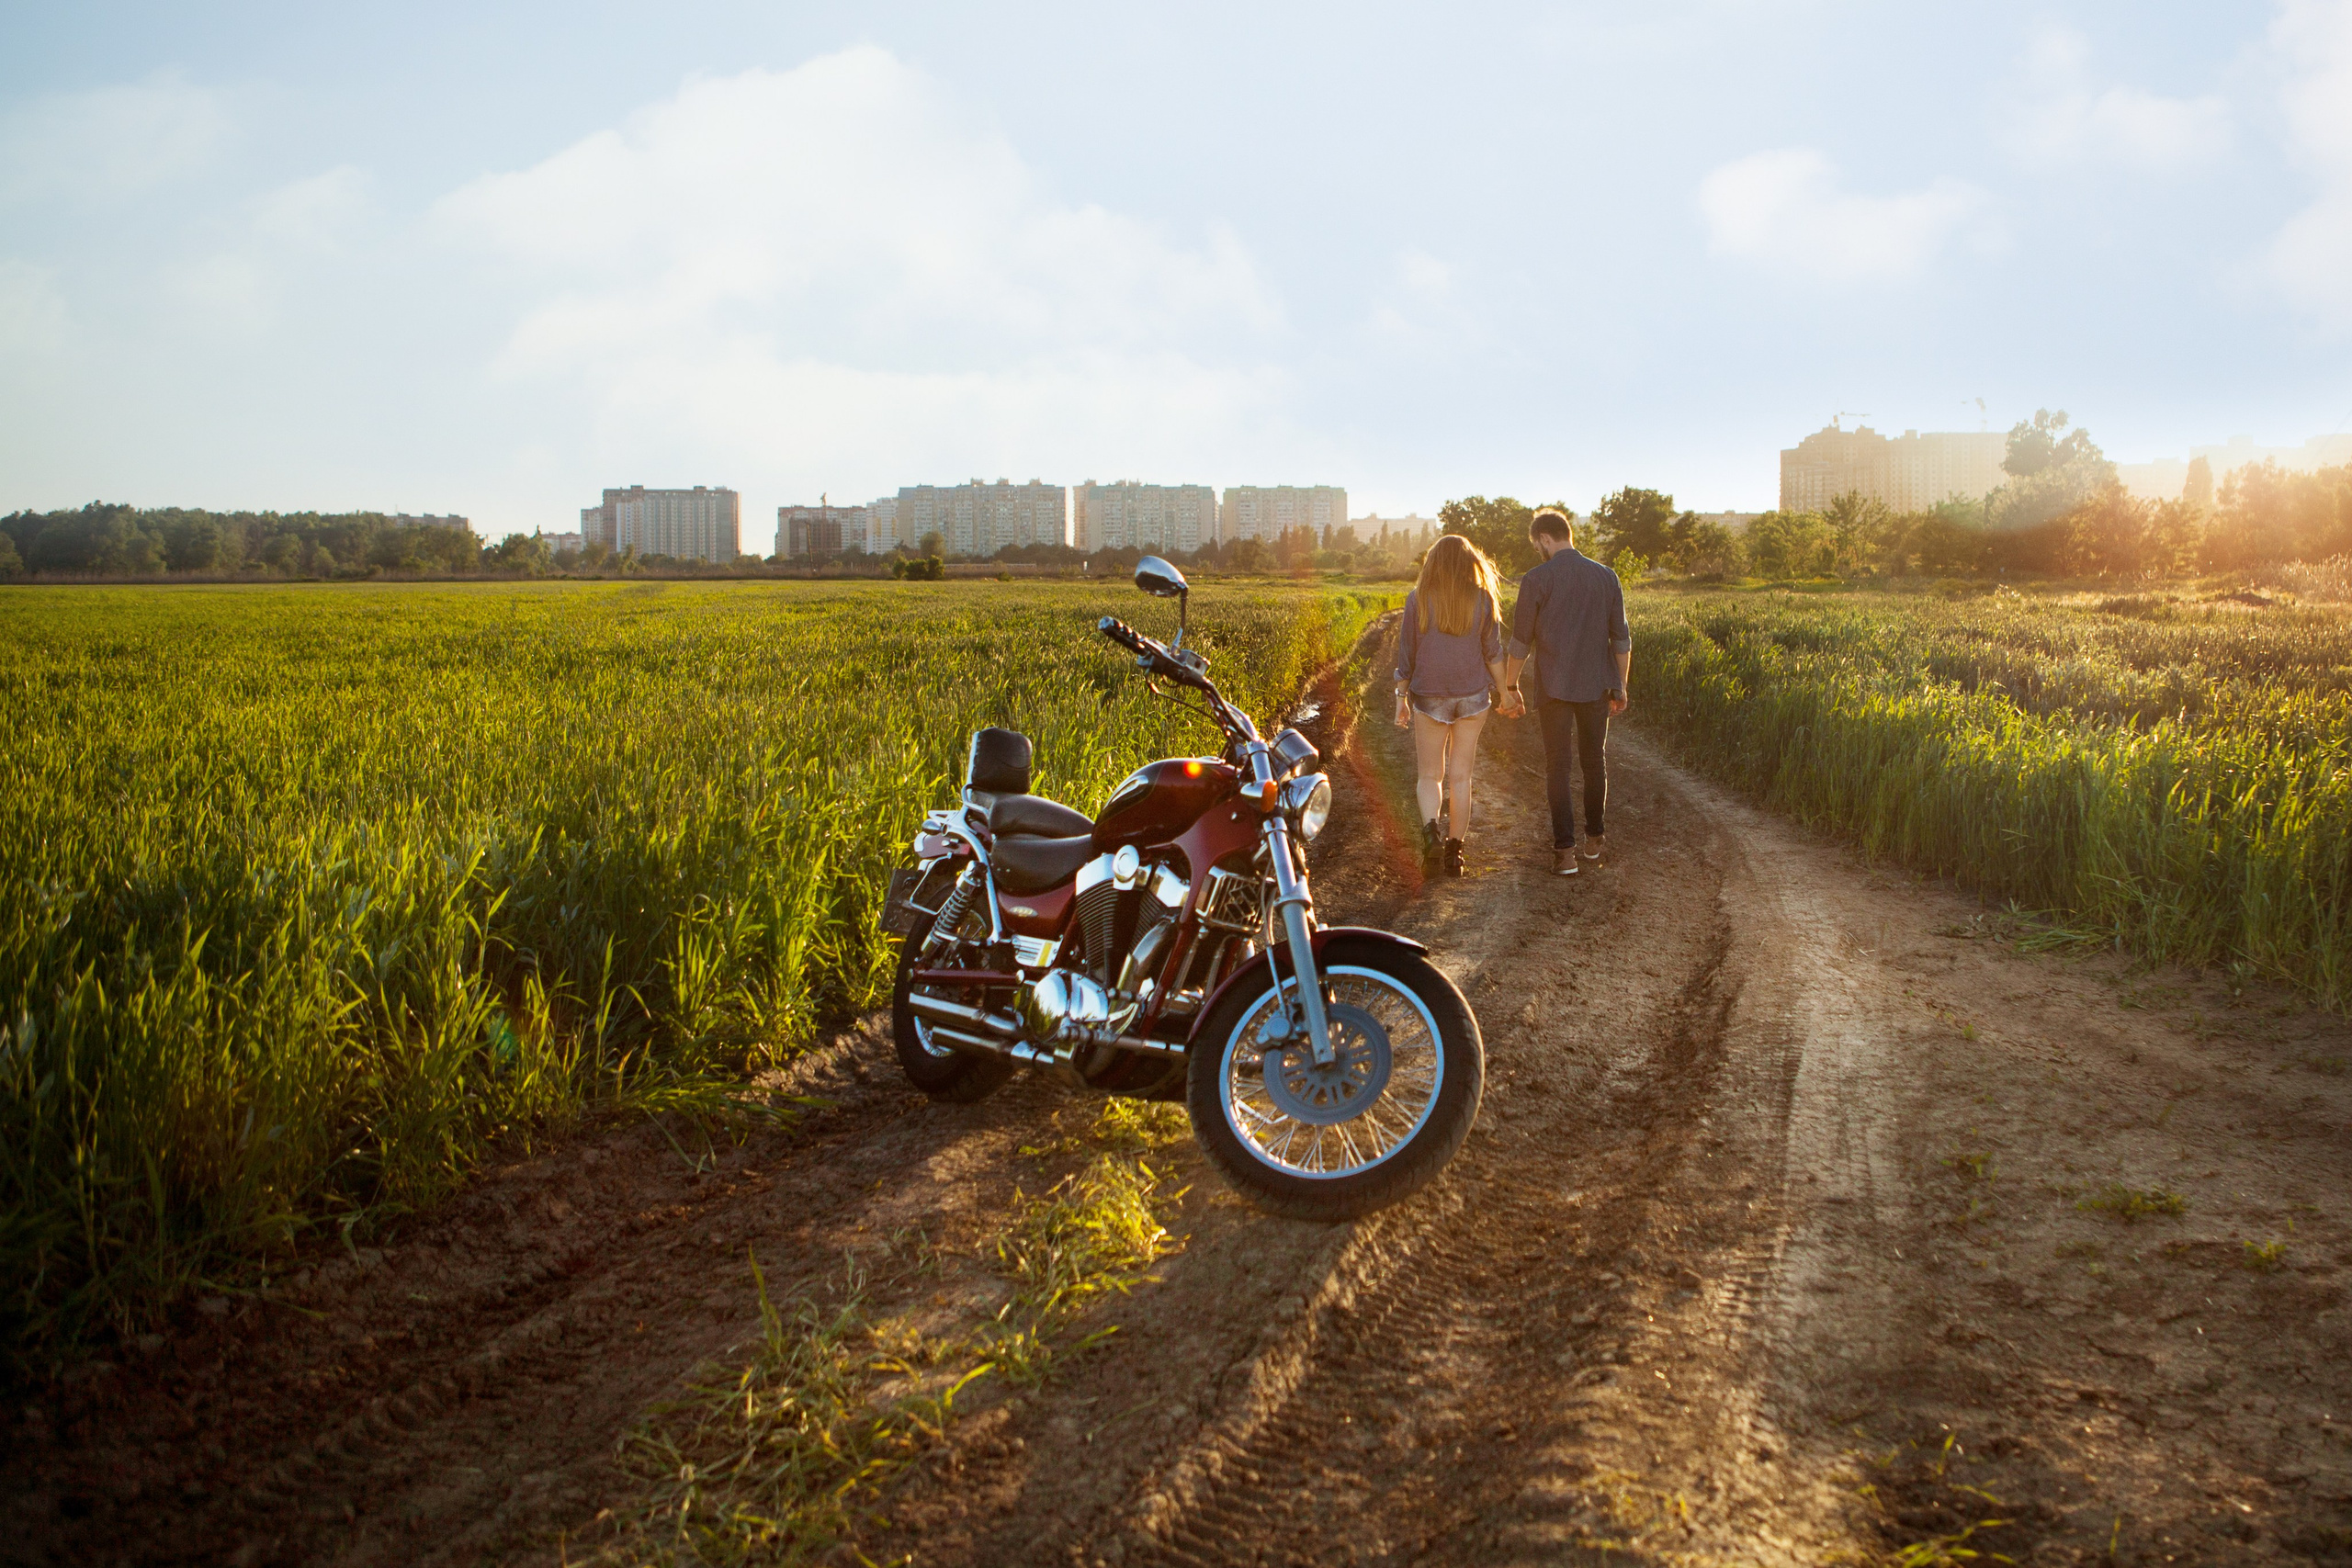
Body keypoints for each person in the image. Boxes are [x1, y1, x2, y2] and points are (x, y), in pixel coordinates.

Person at [1502, 508, 1630, 876]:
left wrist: (1510, 686)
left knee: (1557, 766)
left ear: (1544, 538)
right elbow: (1621, 639)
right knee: (1595, 762)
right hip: (1596, 686)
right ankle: (1595, 840)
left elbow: (1519, 642)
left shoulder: (1537, 578)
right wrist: (1620, 684)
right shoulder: (1607, 576)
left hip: (1554, 687)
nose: (1537, 550)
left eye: (1536, 544)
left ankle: (1565, 853)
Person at [1393, 534, 1521, 878]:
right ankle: (1455, 856)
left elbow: (1407, 656)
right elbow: (1493, 651)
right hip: (1472, 697)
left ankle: (1431, 834)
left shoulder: (1417, 599)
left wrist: (1400, 700)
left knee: (1429, 775)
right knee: (1461, 777)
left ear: (1433, 563)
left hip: (1429, 695)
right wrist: (1506, 693)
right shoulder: (1483, 599)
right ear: (1469, 563)